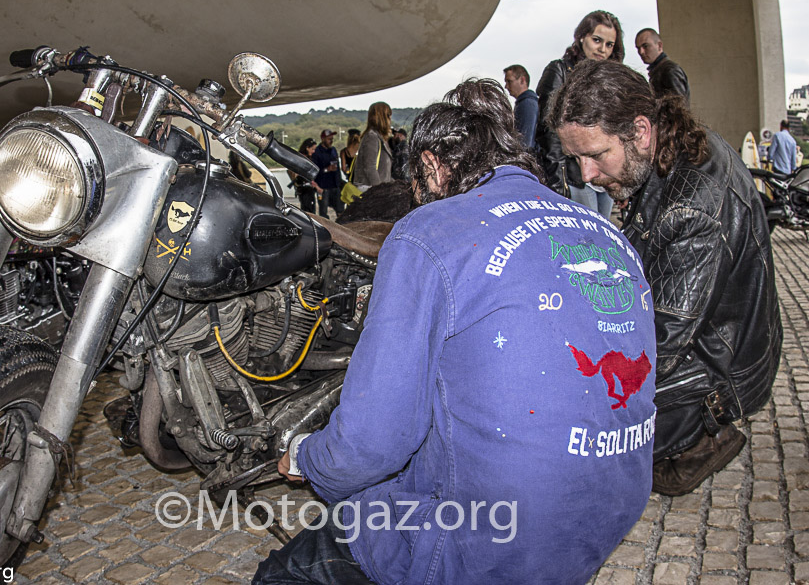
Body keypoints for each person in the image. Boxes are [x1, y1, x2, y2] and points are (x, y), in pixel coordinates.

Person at [254, 78, 657, 585]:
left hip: (498, 535)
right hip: (611, 508)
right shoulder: (608, 235)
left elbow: (373, 443)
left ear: (431, 165)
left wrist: (308, 457)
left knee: (283, 573)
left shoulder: (430, 233)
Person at [547, 60, 782, 496]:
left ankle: (701, 437)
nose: (587, 176)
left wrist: (571, 382)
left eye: (596, 155)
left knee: (570, 432)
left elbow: (661, 343)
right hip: (724, 340)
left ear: (640, 130)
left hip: (722, 372)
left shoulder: (691, 207)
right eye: (576, 159)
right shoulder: (675, 144)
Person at [535, 10, 623, 219]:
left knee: (603, 232)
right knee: (585, 234)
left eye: (609, 44)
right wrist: (558, 182)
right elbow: (548, 132)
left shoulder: (612, 78)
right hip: (575, 175)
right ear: (582, 37)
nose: (602, 49)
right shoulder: (559, 70)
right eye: (597, 40)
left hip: (606, 175)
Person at [635, 28, 690, 104]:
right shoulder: (659, 70)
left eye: (645, 46)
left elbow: (680, 107)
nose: (641, 52)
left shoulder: (670, 70)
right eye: (638, 48)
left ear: (659, 46)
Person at [354, 102, 394, 192]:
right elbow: (370, 167)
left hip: (375, 189)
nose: (390, 119)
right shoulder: (372, 137)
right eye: (388, 115)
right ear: (383, 117)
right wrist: (379, 190)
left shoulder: (378, 137)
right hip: (371, 190)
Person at [503, 64, 538, 148]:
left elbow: (525, 142)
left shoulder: (527, 104)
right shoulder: (524, 103)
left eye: (509, 81)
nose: (506, 86)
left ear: (522, 80)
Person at [312, 129, 344, 218]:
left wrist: (339, 182)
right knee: (323, 213)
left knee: (341, 210)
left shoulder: (333, 150)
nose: (331, 141)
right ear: (323, 139)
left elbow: (337, 168)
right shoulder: (316, 152)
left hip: (335, 185)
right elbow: (314, 171)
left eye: (332, 139)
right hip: (323, 186)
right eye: (329, 139)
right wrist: (327, 169)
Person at [291, 138, 322, 213]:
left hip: (304, 188)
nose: (313, 151)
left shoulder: (302, 158)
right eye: (312, 149)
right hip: (305, 188)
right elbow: (306, 176)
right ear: (307, 148)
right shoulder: (303, 159)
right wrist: (316, 186)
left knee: (307, 209)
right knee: (309, 210)